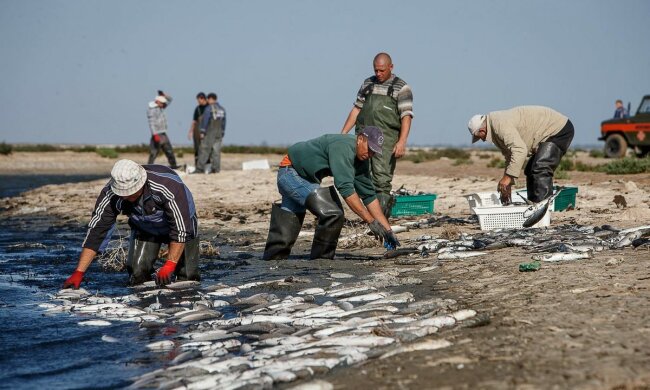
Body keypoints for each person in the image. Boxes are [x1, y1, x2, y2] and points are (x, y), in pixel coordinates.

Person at [263, 127, 400, 260]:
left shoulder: (362, 159)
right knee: (332, 213)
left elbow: (369, 196)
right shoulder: (343, 147)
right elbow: (345, 189)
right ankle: (321, 261)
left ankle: (272, 261)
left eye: (374, 152)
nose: (370, 154)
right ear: (360, 139)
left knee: (289, 220)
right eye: (369, 149)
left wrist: (388, 231)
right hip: (290, 173)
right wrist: (370, 220)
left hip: (303, 177)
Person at [62, 159, 200, 289]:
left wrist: (170, 264)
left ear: (141, 182)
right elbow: (97, 231)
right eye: (122, 193)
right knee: (137, 274)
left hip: (182, 223)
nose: (126, 196)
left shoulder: (167, 185)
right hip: (145, 226)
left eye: (130, 192)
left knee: (187, 277)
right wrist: (79, 272)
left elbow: (180, 227)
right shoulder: (110, 194)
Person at [341, 52, 414, 219]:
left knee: (381, 182)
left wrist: (402, 141)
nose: (378, 74)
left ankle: (381, 223)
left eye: (382, 70)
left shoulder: (402, 88)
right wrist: (343, 134)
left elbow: (406, 116)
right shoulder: (367, 83)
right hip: (363, 138)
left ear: (391, 67)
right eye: (376, 70)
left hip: (386, 141)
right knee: (360, 177)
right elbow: (357, 109)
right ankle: (368, 219)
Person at [467, 106, 574, 204]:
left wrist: (507, 178)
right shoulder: (495, 128)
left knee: (540, 168)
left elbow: (519, 150)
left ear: (482, 130)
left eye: (479, 137)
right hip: (547, 133)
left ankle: (543, 211)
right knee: (530, 170)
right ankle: (533, 207)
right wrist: (507, 182)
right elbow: (510, 156)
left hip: (558, 130)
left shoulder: (499, 124)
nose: (482, 140)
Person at [147, 90, 180, 169]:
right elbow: (151, 123)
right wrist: (154, 134)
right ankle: (148, 167)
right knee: (154, 152)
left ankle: (174, 166)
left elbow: (170, 100)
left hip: (163, 133)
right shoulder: (151, 110)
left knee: (169, 151)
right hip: (157, 134)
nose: (163, 104)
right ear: (157, 101)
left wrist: (164, 95)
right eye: (162, 103)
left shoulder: (161, 107)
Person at [196, 92, 226, 174]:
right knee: (216, 152)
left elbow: (205, 121)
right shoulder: (222, 109)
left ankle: (199, 169)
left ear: (211, 99)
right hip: (219, 133)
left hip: (210, 132)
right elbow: (224, 122)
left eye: (208, 99)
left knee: (204, 150)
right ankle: (215, 169)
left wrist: (202, 132)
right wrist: (222, 132)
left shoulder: (209, 108)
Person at [187, 92, 208, 166]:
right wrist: (190, 132)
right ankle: (197, 164)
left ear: (203, 98)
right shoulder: (197, 108)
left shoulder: (209, 107)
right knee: (197, 147)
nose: (198, 101)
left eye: (199, 100)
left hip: (207, 130)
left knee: (206, 148)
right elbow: (194, 121)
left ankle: (207, 164)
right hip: (197, 130)